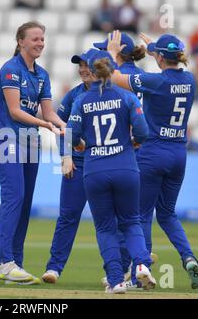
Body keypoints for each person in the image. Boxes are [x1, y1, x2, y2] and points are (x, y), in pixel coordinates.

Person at [107, 30, 198, 289]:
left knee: (141, 215)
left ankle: (142, 275)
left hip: (153, 153)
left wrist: (112, 53)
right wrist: (157, 51)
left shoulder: (155, 82)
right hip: (178, 154)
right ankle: (189, 258)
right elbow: (170, 70)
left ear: (160, 58)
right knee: (167, 213)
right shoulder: (191, 80)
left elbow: (115, 77)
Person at [66, 49, 156, 294]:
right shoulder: (127, 97)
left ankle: (115, 280)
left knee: (105, 227)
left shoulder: (81, 100)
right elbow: (143, 132)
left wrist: (79, 145)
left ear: (92, 71)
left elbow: (71, 134)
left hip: (94, 169)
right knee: (131, 222)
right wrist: (134, 142)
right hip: (126, 166)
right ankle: (140, 265)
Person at [0, 21, 66, 284]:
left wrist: (64, 125)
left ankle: (16, 263)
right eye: (35, 39)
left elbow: (48, 112)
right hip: (8, 139)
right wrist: (44, 124)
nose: (40, 43)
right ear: (21, 41)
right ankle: (4, 262)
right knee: (14, 197)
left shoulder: (42, 74)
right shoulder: (11, 70)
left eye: (42, 39)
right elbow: (15, 111)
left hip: (30, 142)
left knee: (23, 203)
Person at [93, 32, 152, 288]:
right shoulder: (139, 77)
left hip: (104, 161)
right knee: (135, 218)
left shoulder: (113, 80)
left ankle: (118, 275)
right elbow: (142, 129)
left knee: (110, 224)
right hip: (133, 157)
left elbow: (78, 133)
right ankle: (140, 262)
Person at [41, 48, 96, 284]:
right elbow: (61, 128)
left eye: (87, 65)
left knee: (111, 220)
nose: (82, 70)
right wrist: (66, 156)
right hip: (79, 164)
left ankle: (122, 269)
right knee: (68, 217)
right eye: (80, 66)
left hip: (104, 163)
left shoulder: (114, 94)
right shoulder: (73, 96)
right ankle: (54, 268)